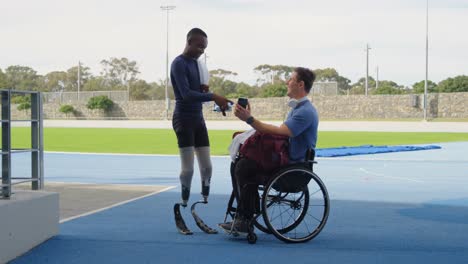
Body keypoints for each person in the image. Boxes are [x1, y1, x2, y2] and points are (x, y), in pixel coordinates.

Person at [219, 67, 318, 234]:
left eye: (291, 80)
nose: (287, 82)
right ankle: (245, 215)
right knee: (240, 164)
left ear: (300, 84)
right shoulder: (298, 108)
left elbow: (280, 132)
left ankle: (244, 218)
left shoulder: (305, 112)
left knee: (244, 167)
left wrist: (249, 119)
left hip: (294, 168)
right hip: (287, 161)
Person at [170, 28, 231, 209]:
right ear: (189, 42)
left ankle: (204, 197)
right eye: (199, 46)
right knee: (188, 169)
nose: (201, 51)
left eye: (204, 48)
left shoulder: (198, 64)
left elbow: (198, 93)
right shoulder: (178, 63)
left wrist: (208, 93)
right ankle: (184, 201)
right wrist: (213, 96)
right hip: (183, 118)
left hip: (198, 119)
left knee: (207, 167)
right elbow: (187, 95)